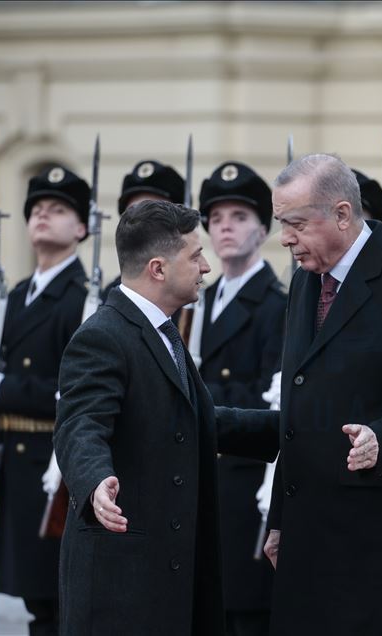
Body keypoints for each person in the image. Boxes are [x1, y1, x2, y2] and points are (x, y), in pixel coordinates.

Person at [217, 153, 382, 635]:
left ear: (343, 214)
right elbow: (299, 410)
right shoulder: (306, 281)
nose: (286, 238)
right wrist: (281, 517)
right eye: (282, 224)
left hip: (380, 544)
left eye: (296, 224)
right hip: (310, 535)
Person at [54, 199, 276, 636]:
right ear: (158, 268)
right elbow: (80, 424)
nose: (206, 267)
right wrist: (95, 480)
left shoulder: (161, 331)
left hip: (163, 580)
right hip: (122, 588)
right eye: (195, 256)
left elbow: (192, 421)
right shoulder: (103, 336)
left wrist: (291, 429)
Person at [0, 165, 91, 636]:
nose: (42, 216)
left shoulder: (84, 299)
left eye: (57, 209)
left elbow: (75, 392)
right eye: (36, 209)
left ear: (81, 228)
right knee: (38, 607)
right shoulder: (14, 297)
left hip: (54, 468)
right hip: (15, 468)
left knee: (63, 606)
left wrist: (3, 389)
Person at [197, 161, 284, 636]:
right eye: (216, 218)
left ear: (263, 229)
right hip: (199, 477)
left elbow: (268, 396)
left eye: (239, 216)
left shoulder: (277, 304)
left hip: (245, 479)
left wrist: (192, 396)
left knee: (245, 615)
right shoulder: (196, 303)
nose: (225, 227)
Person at [103, 159, 185, 299]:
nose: (142, 223)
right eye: (132, 213)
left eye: (152, 213)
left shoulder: (194, 293)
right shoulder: (111, 294)